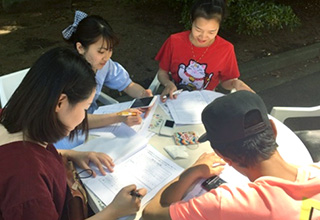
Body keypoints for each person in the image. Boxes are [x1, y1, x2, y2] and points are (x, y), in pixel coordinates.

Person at [0, 47, 147, 220]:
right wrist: (114, 211)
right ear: (60, 102)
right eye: (85, 108)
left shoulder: (14, 119)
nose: (84, 116)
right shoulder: (26, 183)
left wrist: (70, 154)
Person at [143, 90, 320, 219]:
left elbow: (153, 213)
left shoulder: (230, 203)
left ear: (222, 156)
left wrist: (192, 171)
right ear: (274, 130)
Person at [56, 10, 153, 149]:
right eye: (101, 52)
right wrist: (119, 116)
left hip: (93, 124)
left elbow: (127, 84)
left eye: (110, 50)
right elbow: (74, 120)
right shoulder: (69, 74)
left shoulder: (104, 65)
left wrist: (143, 95)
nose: (106, 57)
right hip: (67, 134)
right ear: (80, 48)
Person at [155, 0, 254, 102]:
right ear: (191, 21)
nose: (203, 37)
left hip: (205, 101)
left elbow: (226, 81)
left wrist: (235, 83)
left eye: (212, 32)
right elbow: (162, 72)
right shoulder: (174, 41)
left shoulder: (226, 49)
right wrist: (168, 84)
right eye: (198, 29)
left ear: (219, 26)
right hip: (175, 96)